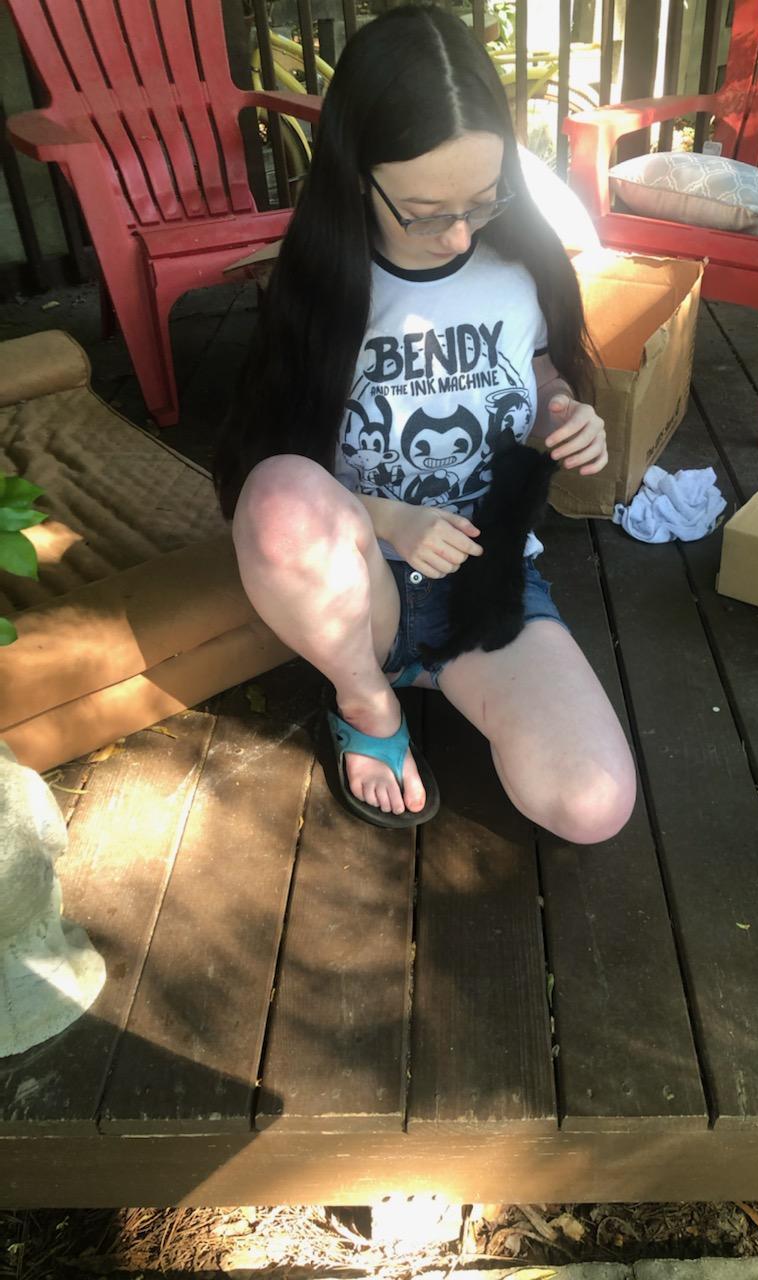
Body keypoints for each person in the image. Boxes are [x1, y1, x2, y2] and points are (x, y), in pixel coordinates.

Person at [215, 2, 636, 839]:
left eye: (483, 201)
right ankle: (365, 700)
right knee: (279, 497)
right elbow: (264, 474)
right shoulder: (323, 287)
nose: (456, 237)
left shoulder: (519, 267)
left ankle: (442, 677)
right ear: (356, 176)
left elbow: (542, 372)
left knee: (593, 806)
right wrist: (390, 519)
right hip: (357, 587)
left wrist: (564, 411)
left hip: (487, 581)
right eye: (425, 210)